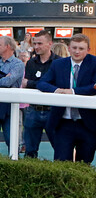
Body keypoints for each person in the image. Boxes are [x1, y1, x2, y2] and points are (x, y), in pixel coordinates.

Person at [37, 34, 96, 163]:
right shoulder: (58, 64)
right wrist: (57, 91)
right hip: (63, 122)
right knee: (61, 163)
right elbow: (42, 83)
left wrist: (73, 92)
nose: (77, 51)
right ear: (68, 48)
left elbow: (94, 86)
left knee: (84, 164)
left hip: (87, 123)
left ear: (88, 50)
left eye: (81, 48)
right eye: (74, 47)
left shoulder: (94, 63)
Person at [21, 30, 57, 158]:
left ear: (49, 44)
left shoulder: (59, 62)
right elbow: (27, 85)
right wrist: (40, 84)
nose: (36, 47)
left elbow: (55, 86)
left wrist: (31, 83)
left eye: (40, 44)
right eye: (35, 44)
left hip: (53, 111)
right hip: (33, 110)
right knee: (29, 151)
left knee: (60, 149)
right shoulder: (31, 63)